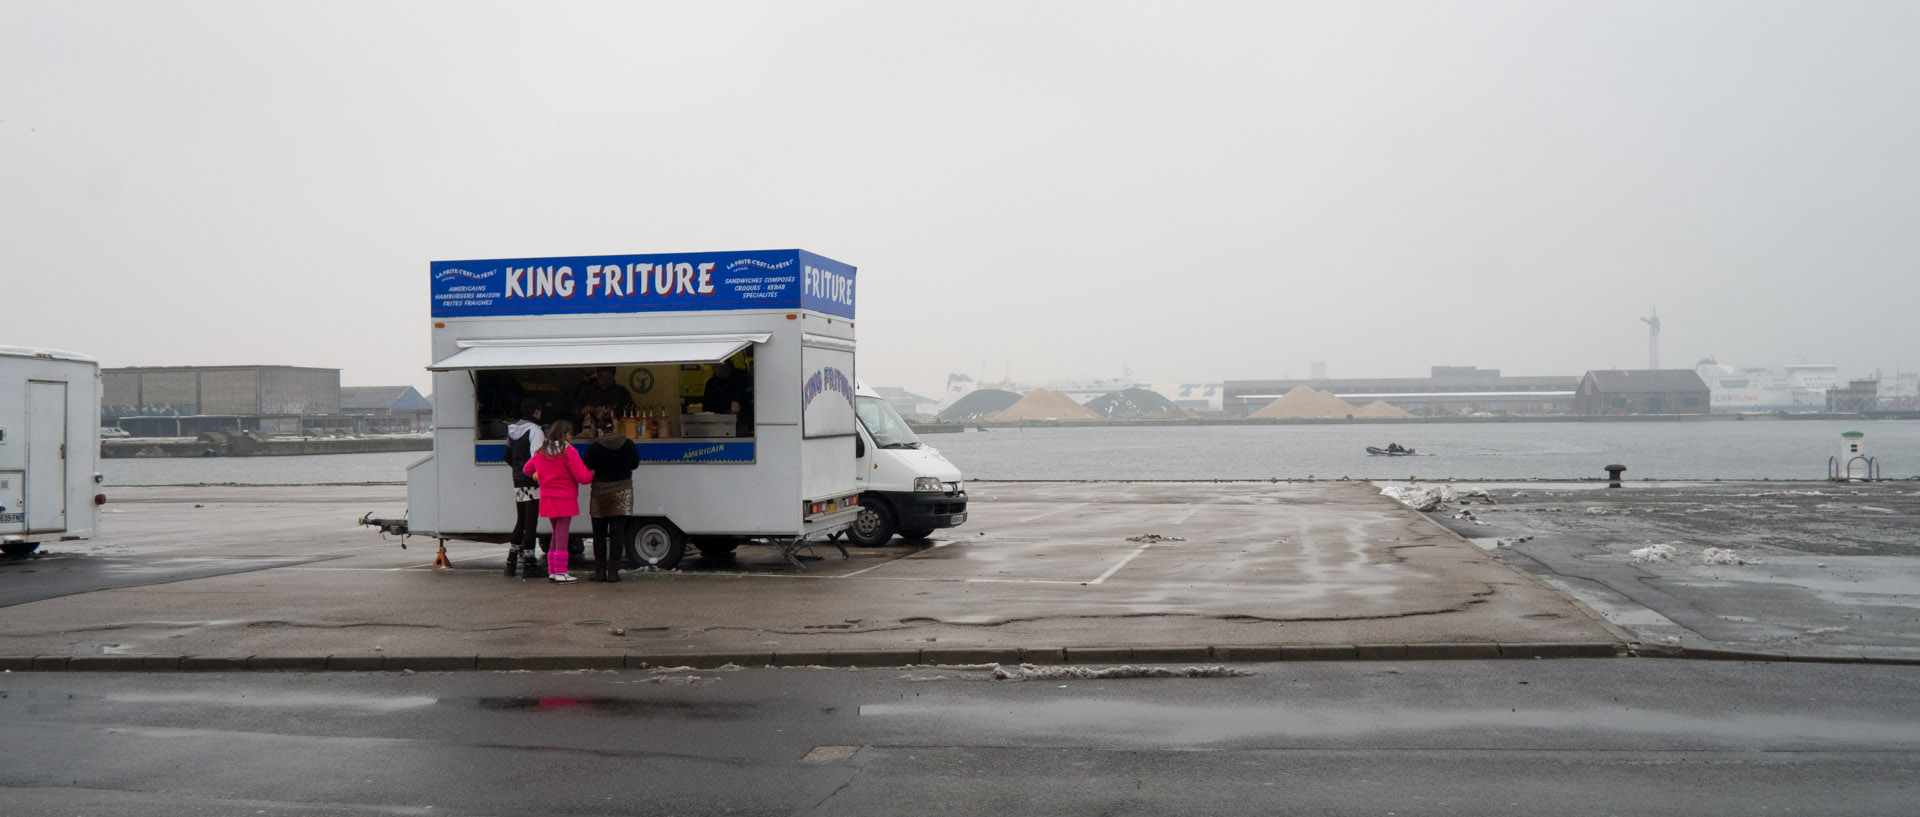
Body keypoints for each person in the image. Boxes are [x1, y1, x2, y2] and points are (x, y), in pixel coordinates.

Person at [521, 420, 593, 584]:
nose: (572, 436)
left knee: (556, 534)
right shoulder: (568, 451)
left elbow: (527, 469)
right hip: (565, 498)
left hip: (547, 498)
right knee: (562, 536)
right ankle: (561, 571)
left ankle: (553, 571)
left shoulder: (541, 451)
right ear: (565, 434)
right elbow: (582, 477)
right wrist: (594, 475)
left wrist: (539, 475)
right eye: (570, 433)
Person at [581, 410, 639, 582]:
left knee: (599, 534)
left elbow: (586, 466)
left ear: (599, 430)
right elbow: (635, 464)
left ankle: (600, 571)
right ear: (613, 428)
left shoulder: (595, 446)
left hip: (600, 492)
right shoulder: (628, 444)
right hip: (623, 492)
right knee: (617, 534)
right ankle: (613, 572)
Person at [502, 398, 545, 578]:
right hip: (532, 481)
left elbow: (506, 455)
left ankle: (511, 563)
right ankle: (529, 563)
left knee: (521, 521)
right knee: (531, 523)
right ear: (535, 412)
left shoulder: (512, 431)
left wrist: (518, 470)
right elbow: (537, 457)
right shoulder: (535, 431)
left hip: (518, 480)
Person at [702, 358, 753, 437]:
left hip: (745, 426)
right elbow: (706, 407)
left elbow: (751, 396)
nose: (712, 368)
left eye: (714, 365)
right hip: (716, 426)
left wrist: (738, 401)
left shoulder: (742, 377)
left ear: (724, 364)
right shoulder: (712, 383)